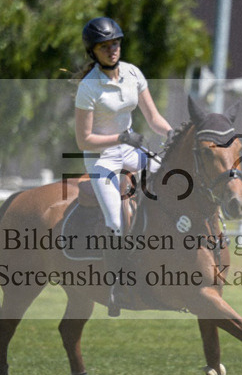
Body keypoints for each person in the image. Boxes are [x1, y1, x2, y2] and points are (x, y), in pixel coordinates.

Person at [74, 17, 172, 315]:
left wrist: (174, 135)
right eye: (104, 46)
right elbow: (84, 140)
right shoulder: (88, 88)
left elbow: (154, 119)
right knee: (115, 221)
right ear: (93, 52)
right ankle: (116, 285)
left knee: (170, 180)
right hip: (101, 158)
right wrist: (120, 136)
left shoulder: (132, 73)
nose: (112, 49)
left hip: (130, 150)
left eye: (115, 43)